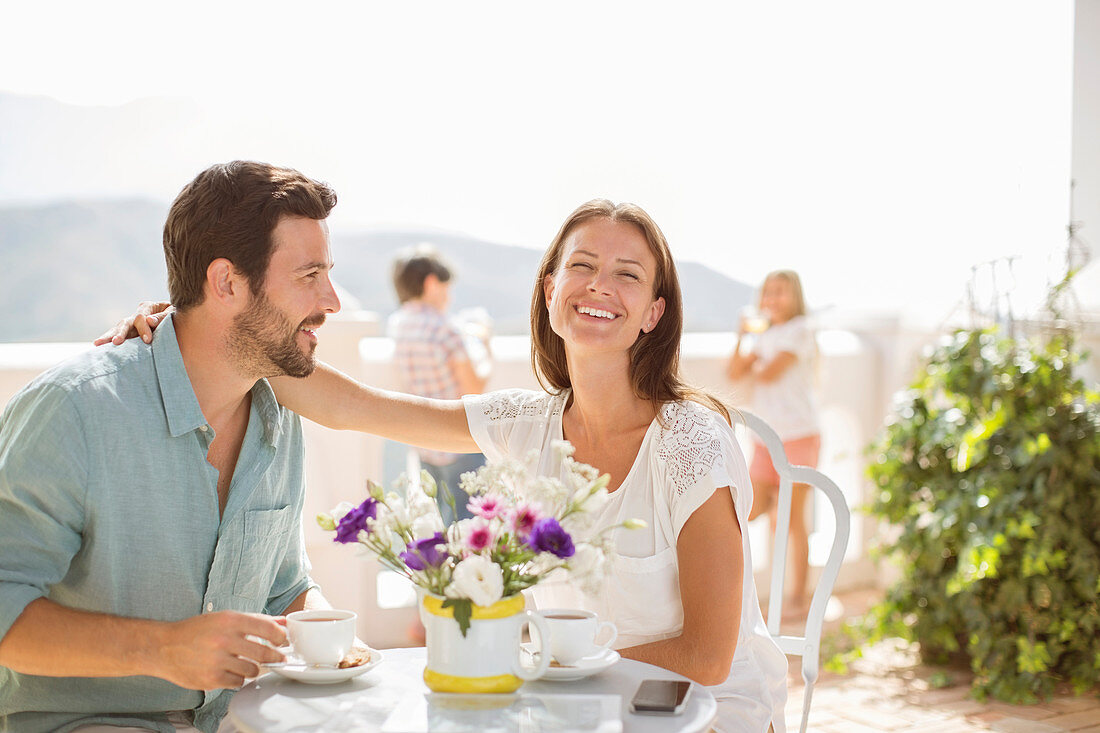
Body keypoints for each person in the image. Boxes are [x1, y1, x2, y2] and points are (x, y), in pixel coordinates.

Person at [104, 200, 789, 732]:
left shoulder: (690, 440)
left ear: (653, 312)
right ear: (550, 290)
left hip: (701, 711)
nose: (598, 285)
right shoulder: (527, 423)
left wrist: (532, 664)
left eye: (627, 274)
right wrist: (202, 328)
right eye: (581, 265)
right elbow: (350, 405)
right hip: (573, 710)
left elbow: (707, 656)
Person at [0, 161, 348, 733]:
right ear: (227, 283)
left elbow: (285, 585)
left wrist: (335, 641)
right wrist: (160, 649)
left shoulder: (279, 419)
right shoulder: (74, 410)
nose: (331, 300)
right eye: (309, 274)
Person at [726, 269, 821, 621]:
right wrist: (742, 336)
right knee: (749, 509)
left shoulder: (799, 331)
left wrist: (756, 348)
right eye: (767, 292)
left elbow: (767, 373)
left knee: (791, 519)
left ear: (794, 296)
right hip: (766, 439)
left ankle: (798, 598)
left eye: (780, 292)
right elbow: (735, 371)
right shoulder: (766, 336)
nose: (772, 299)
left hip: (798, 435)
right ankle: (750, 594)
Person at [388, 244, 490, 524]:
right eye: (447, 286)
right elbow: (474, 389)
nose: (449, 294)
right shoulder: (446, 328)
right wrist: (486, 344)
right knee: (474, 527)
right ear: (432, 283)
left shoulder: (398, 324)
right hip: (458, 440)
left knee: (445, 522)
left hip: (424, 440)